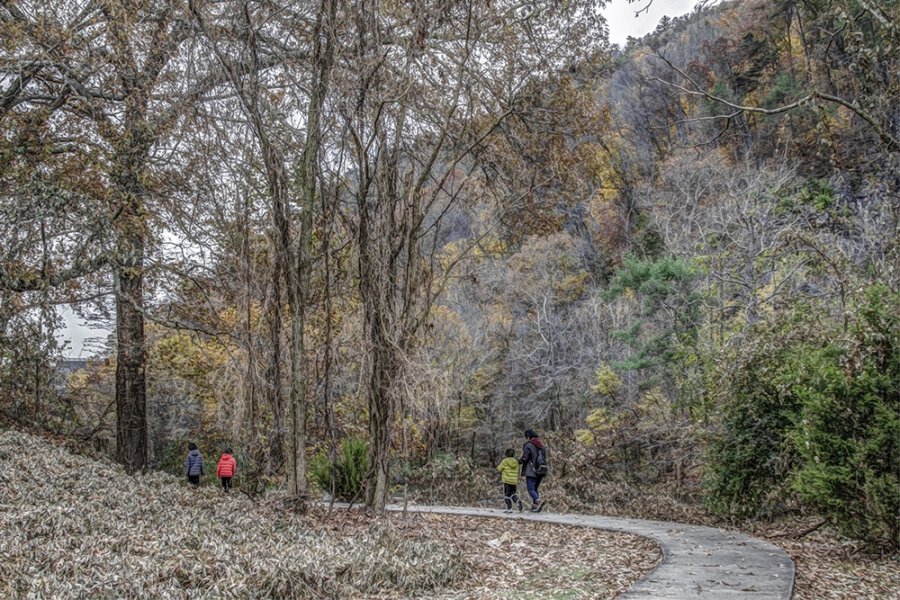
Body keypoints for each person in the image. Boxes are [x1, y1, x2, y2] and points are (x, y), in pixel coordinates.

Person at [519, 429, 546, 512]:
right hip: (542, 469)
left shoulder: (528, 445)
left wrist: (517, 462)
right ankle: (535, 507)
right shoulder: (541, 445)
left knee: (530, 488)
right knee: (535, 488)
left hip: (531, 470)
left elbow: (525, 457)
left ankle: (538, 500)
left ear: (528, 436)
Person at [496, 448, 524, 513]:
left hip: (507, 481)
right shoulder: (516, 462)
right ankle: (517, 500)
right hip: (514, 481)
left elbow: (499, 469)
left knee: (506, 495)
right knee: (513, 493)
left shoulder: (504, 461)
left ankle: (509, 508)